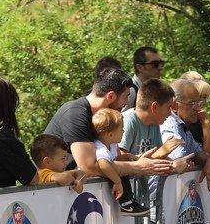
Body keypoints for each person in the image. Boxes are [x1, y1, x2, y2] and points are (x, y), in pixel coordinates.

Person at [43, 66, 172, 186]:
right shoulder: (75, 113)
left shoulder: (100, 117)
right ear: (110, 96)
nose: (127, 102)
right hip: (50, 192)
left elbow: (106, 158)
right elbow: (89, 167)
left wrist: (135, 160)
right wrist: (139, 167)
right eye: (126, 96)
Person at [120, 78, 192, 205]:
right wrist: (161, 154)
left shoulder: (154, 123)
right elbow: (120, 160)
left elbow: (159, 158)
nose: (171, 113)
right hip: (124, 200)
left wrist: (176, 164)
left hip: (141, 199)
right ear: (154, 107)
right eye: (168, 107)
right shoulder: (129, 120)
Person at [92, 108, 148, 216]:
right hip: (98, 182)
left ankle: (130, 201)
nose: (123, 131)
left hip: (110, 174)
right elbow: (103, 165)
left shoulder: (113, 144)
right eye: (121, 129)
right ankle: (126, 203)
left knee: (124, 168)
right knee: (120, 172)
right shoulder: (100, 148)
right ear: (110, 135)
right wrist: (117, 182)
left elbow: (118, 158)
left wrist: (128, 157)